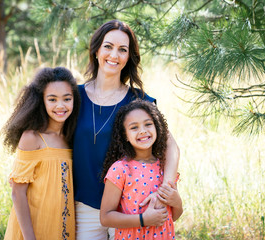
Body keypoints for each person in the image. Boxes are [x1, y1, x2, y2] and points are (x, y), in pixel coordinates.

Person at [73, 19, 180, 239]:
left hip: (131, 207)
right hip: (84, 206)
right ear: (96, 50)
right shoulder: (74, 97)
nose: (114, 55)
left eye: (123, 50)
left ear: (128, 57)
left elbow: (172, 147)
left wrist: (165, 190)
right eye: (108, 46)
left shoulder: (139, 101)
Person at [2, 67, 80, 240]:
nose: (60, 106)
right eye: (52, 99)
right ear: (41, 101)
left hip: (61, 228)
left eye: (67, 99)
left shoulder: (71, 138)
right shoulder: (32, 138)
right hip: (33, 230)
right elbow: (17, 192)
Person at [100, 99, 183, 240]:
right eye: (134, 127)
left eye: (148, 124)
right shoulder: (120, 169)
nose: (143, 131)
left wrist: (177, 202)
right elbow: (106, 217)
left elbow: (172, 216)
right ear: (125, 135)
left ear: (157, 127)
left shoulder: (165, 167)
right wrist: (143, 220)